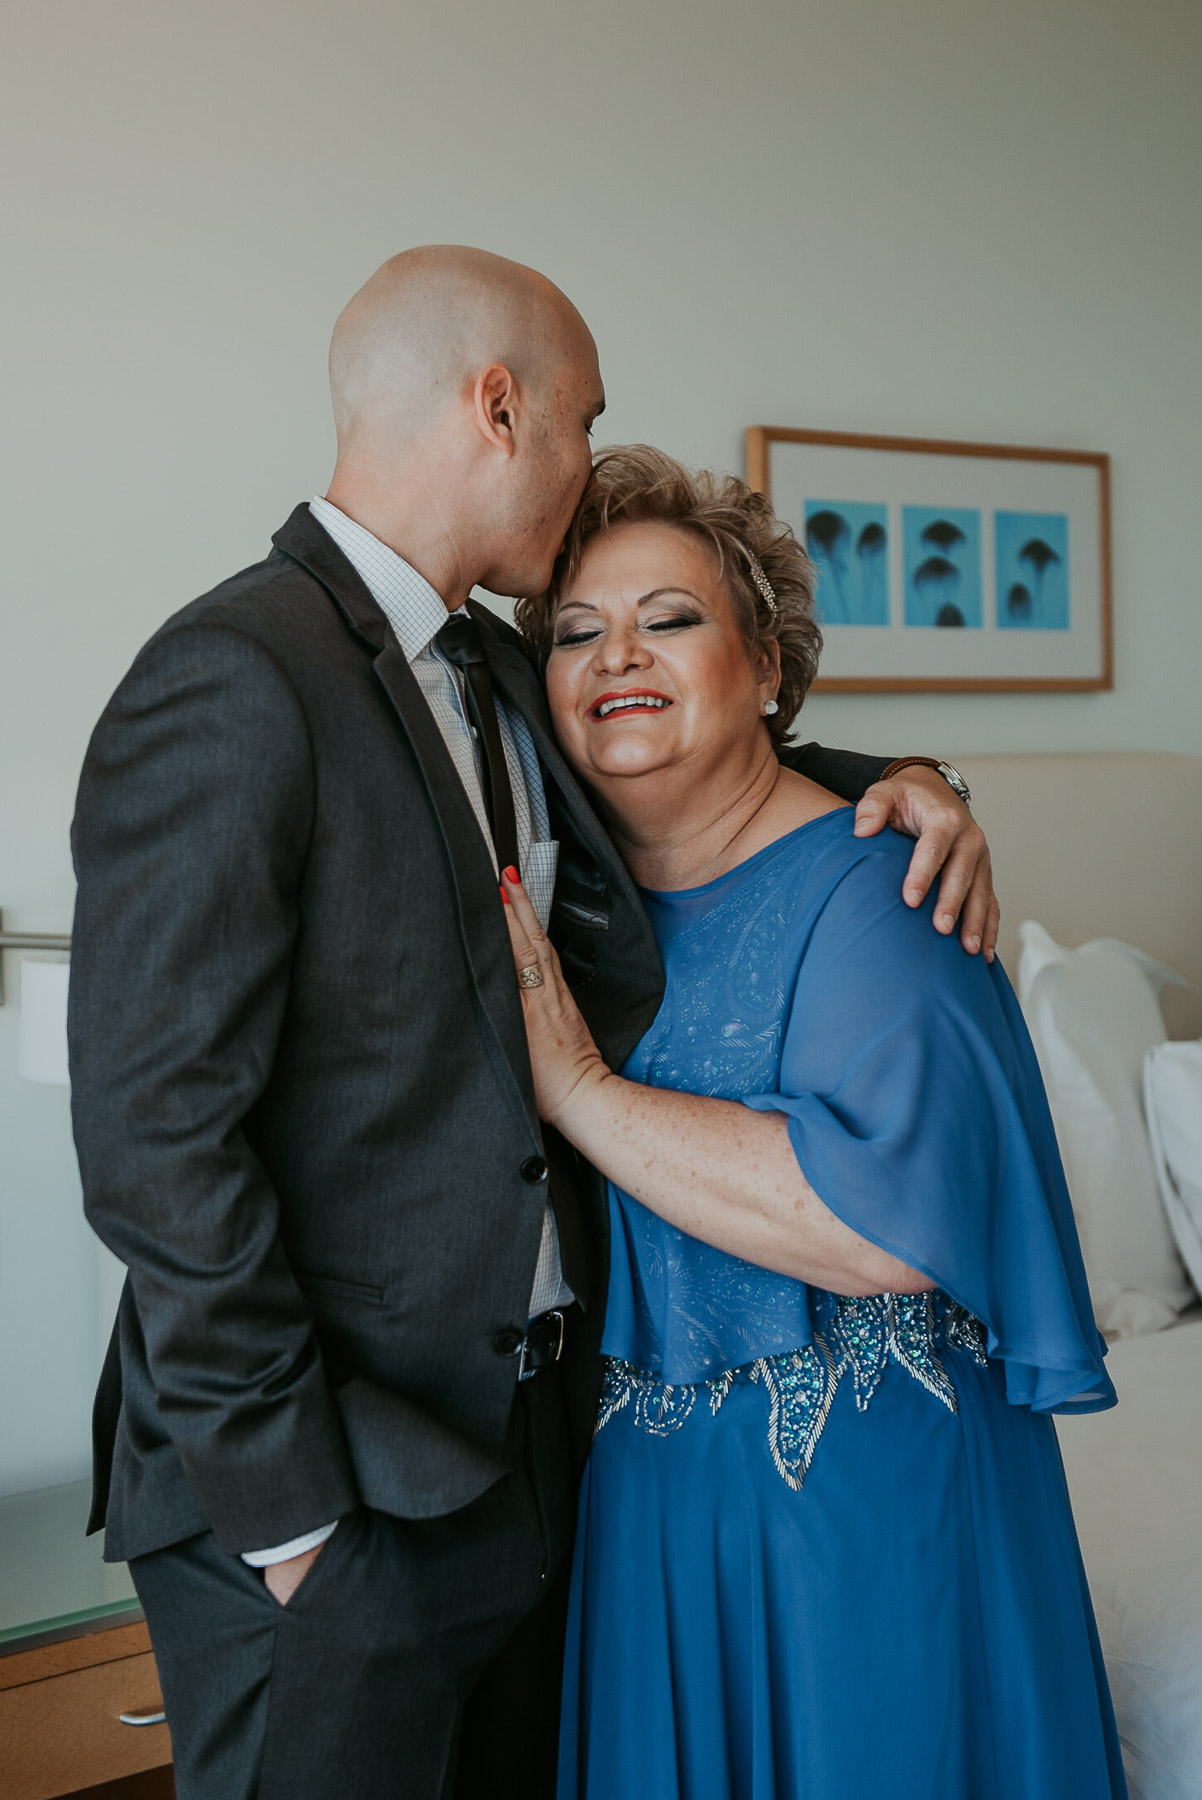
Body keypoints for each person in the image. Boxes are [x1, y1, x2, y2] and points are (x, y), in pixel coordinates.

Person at [69, 249, 997, 1800]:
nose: (584, 460)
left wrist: (920, 787)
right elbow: (154, 1141)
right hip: (327, 1491)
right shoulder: (231, 675)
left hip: (527, 1463)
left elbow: (702, 745)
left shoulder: (501, 668)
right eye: (581, 419)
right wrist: (297, 1532)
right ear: (499, 409)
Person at [504, 446, 1128, 1800]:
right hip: (651, 1513)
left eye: (668, 619)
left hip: (864, 1512)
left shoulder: (886, 886)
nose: (620, 654)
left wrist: (586, 1097)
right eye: (575, 631)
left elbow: (876, 1226)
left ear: (769, 668)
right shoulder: (570, 904)